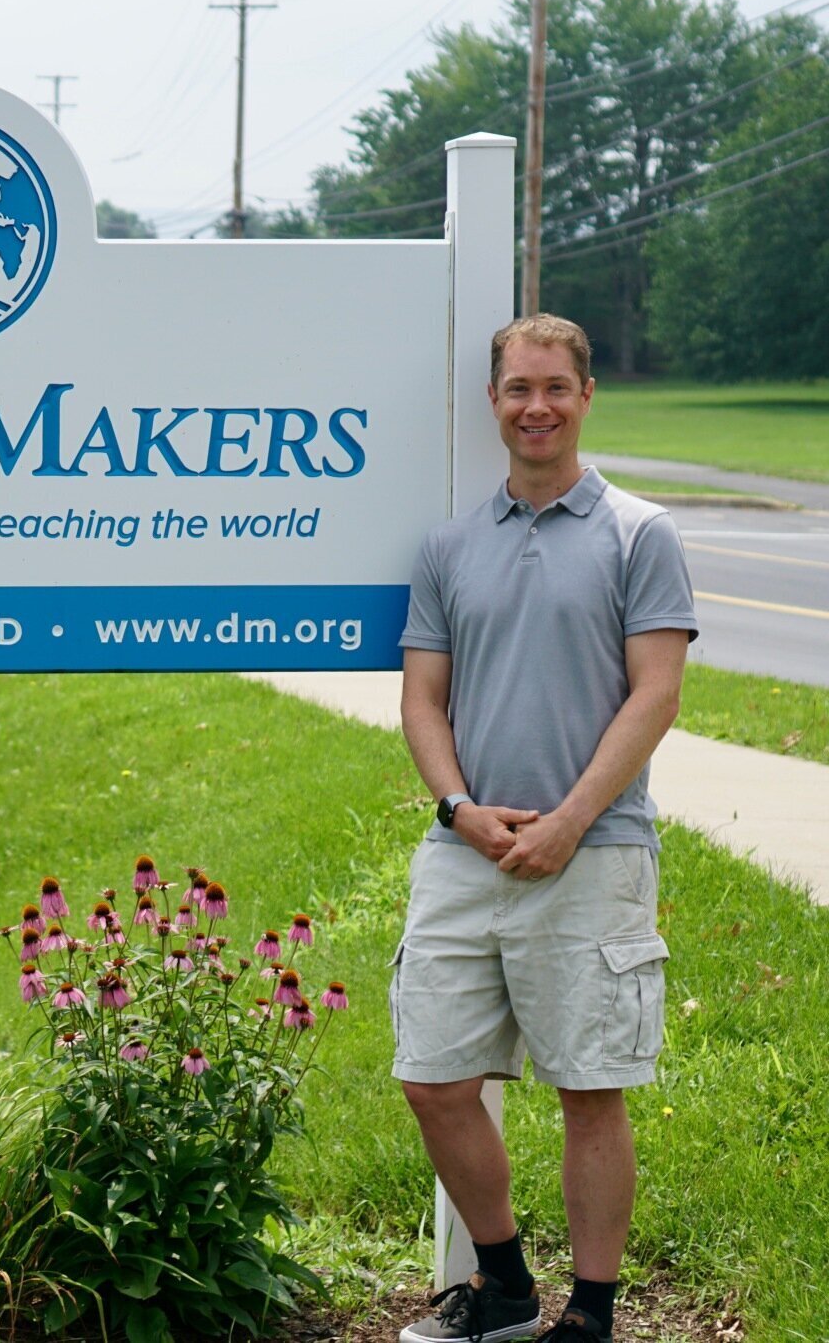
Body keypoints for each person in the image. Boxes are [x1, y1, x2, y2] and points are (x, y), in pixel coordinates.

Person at [394, 314, 698, 1343]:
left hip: (594, 853)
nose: (536, 406)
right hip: (463, 852)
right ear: (493, 399)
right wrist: (458, 809)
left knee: (588, 1088)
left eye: (555, 387)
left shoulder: (639, 533)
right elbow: (423, 700)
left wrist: (569, 820)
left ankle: (591, 1315)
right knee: (432, 1078)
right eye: (518, 388)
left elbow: (655, 694)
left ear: (586, 395)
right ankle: (505, 1285)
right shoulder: (448, 547)